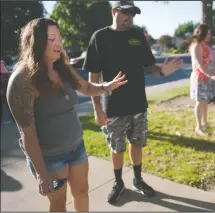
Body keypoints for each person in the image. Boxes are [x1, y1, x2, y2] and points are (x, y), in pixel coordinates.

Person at [6, 18, 128, 212]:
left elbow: (86, 87)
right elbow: (26, 133)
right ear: (35, 42)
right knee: (58, 204)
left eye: (59, 38)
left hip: (76, 148)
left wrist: (106, 86)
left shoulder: (61, 65)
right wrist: (42, 173)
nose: (59, 44)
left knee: (82, 192)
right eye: (51, 39)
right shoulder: (22, 81)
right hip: (49, 159)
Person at [83, 0, 182, 204]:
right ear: (114, 12)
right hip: (113, 106)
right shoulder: (99, 37)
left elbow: (150, 66)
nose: (129, 17)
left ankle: (137, 179)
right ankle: (119, 183)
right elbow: (93, 75)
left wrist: (162, 71)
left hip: (138, 103)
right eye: (125, 12)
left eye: (132, 14)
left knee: (137, 144)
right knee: (116, 148)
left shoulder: (137, 35)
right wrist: (97, 108)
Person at [189, 24, 215, 136]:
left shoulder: (203, 45)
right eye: (208, 33)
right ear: (202, 33)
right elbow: (198, 64)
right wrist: (210, 75)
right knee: (200, 102)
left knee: (205, 101)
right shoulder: (196, 45)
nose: (209, 36)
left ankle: (205, 122)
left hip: (206, 76)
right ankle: (198, 126)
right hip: (200, 78)